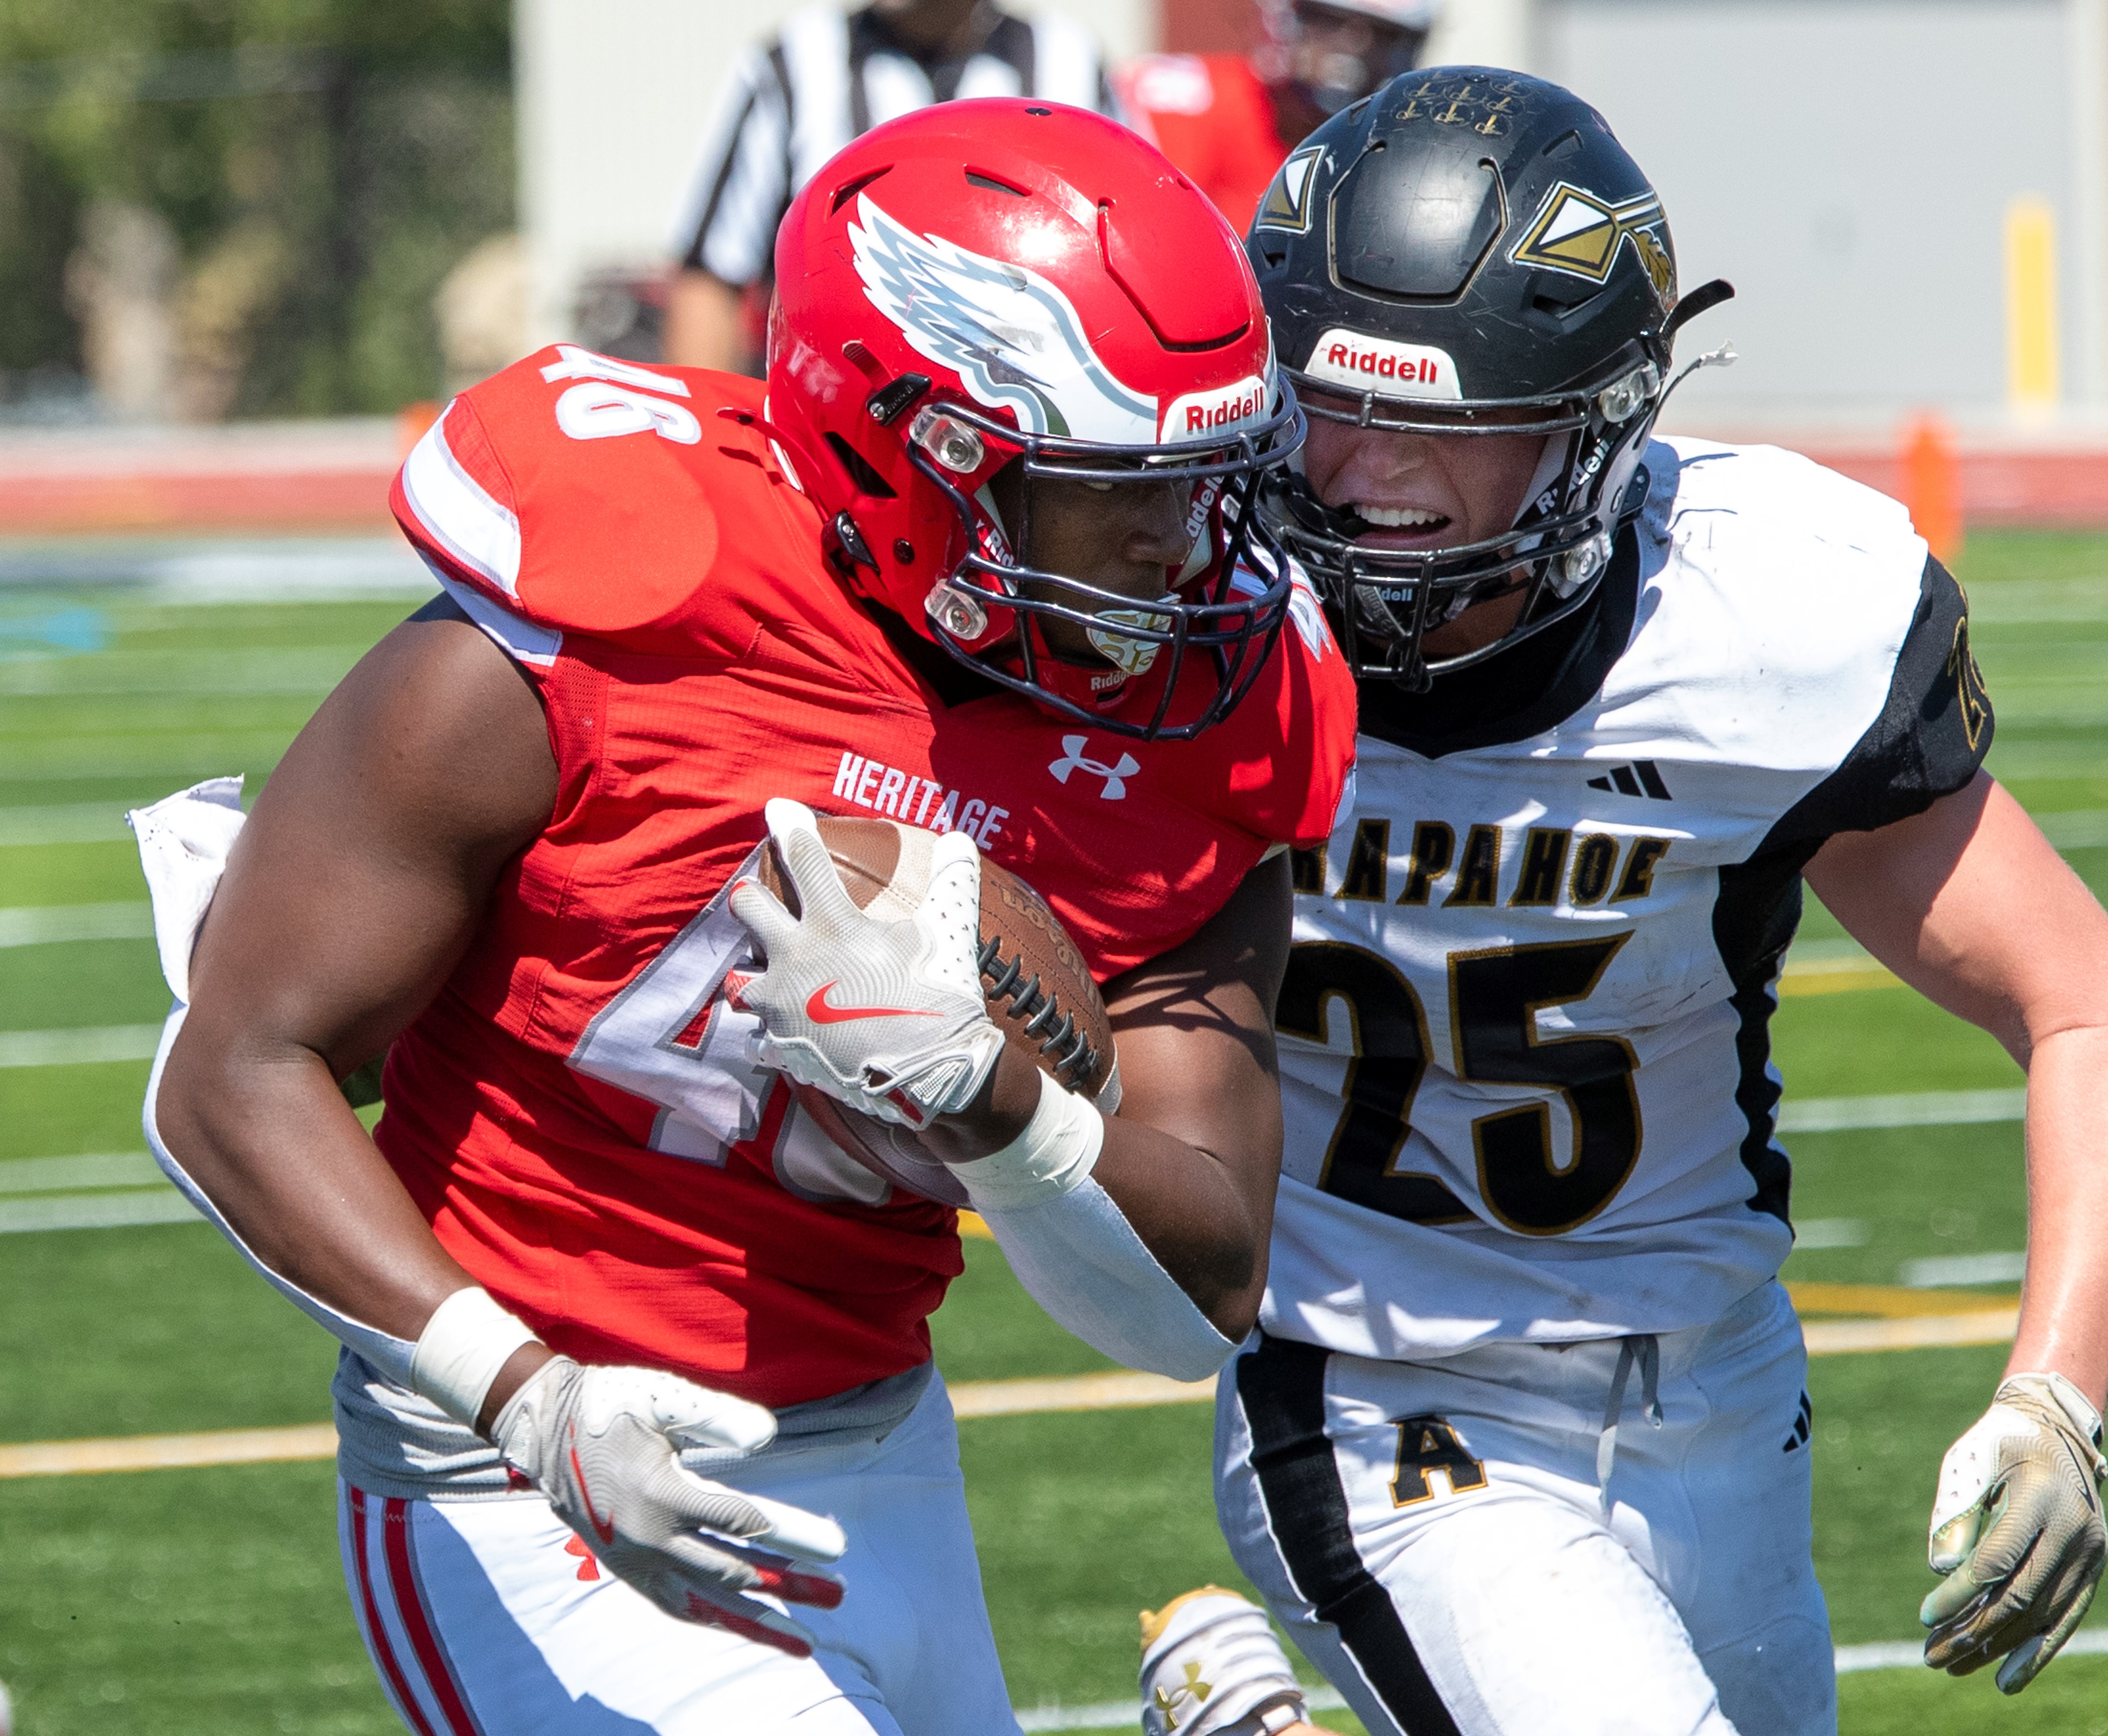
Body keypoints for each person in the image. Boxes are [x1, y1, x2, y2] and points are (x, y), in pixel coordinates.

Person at [137, 100, 1354, 1736]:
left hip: (880, 1445)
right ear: (926, 452)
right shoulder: (614, 613)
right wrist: (524, 1393)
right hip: (523, 1458)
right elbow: (230, 1065)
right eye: (1111, 490)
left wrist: (989, 1100)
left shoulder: (1205, 717)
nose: (1181, 548)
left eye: (1205, 479)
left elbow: (1180, 1302)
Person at [1134, 68, 2108, 1736]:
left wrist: (2057, 1395)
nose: (1362, 477)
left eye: (1450, 428)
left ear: (1598, 419)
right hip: (1382, 1393)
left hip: (1719, 1381)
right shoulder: (1183, 610)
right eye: (1327, 405)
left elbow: (2086, 1008)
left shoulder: (1762, 616)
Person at [666, 0, 1114, 372]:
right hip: (838, 435)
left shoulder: (1069, 62)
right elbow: (711, 277)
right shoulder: (795, 61)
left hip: (1042, 436)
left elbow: (1138, 255)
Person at [1113, 0, 1431, 226]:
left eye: (1380, 37)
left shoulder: (1408, 150)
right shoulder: (1199, 100)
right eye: (1327, 22)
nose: (1350, 51)